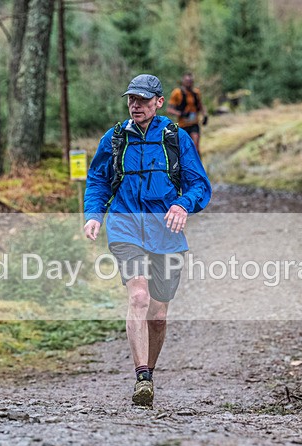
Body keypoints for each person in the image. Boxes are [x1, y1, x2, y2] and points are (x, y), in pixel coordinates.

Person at [83, 74, 212, 407]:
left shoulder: (176, 139)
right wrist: (94, 214)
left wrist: (183, 204)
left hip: (165, 235)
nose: (135, 105)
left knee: (158, 313)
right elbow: (98, 181)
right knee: (138, 297)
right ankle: (142, 376)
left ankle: (149, 372)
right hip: (126, 227)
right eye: (131, 99)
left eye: (142, 100)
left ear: (158, 102)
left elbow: (200, 186)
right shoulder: (114, 139)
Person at [167, 72, 207, 156]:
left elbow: (200, 106)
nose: (189, 83)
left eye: (190, 81)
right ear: (183, 81)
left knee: (195, 147)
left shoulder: (196, 93)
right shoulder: (177, 93)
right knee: (184, 149)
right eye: (187, 81)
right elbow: (169, 109)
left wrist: (205, 116)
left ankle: (198, 167)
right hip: (183, 125)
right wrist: (181, 114)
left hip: (194, 124)